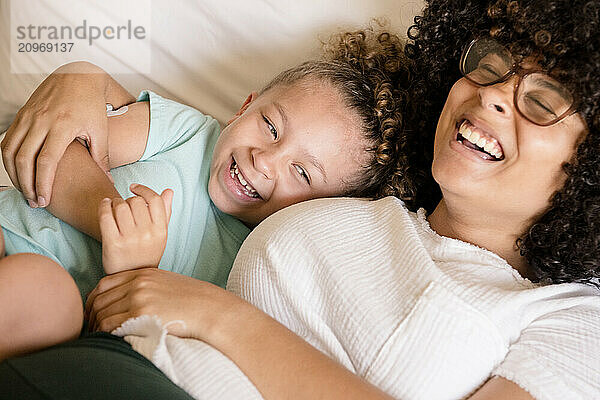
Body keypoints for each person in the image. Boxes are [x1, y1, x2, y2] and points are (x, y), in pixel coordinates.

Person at [1, 1, 600, 399]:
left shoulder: (570, 320)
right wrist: (79, 74)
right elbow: (214, 144)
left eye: (543, 102)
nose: (495, 96)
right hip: (102, 362)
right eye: (489, 67)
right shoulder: (358, 199)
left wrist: (224, 318)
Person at [0, 29, 414, 360]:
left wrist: (137, 271)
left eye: (302, 172)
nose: (264, 159)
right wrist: (109, 216)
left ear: (320, 211)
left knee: (48, 295)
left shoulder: (254, 269)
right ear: (244, 107)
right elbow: (62, 147)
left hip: (50, 318)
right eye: (270, 127)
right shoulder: (188, 133)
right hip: (8, 226)